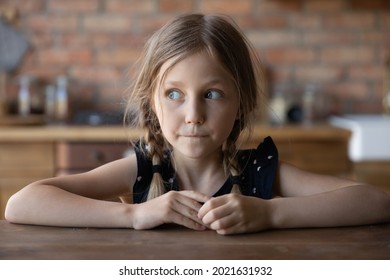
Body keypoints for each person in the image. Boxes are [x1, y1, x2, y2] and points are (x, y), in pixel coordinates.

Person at [5, 14, 390, 235]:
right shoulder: (142, 169)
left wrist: (270, 213)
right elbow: (21, 204)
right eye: (174, 94)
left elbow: (376, 201)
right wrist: (136, 215)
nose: (193, 115)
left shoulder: (259, 172)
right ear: (152, 105)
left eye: (212, 94)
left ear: (241, 105)